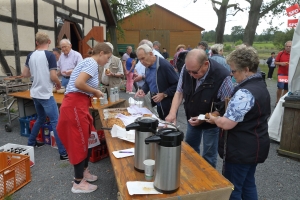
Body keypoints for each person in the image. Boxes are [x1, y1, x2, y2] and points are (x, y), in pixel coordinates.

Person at [206, 47, 270, 200]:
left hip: (240, 150)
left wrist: (215, 119)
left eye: (234, 71)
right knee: (248, 184)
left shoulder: (245, 92)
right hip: (255, 144)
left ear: (246, 69)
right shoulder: (260, 85)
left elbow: (227, 123)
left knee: (233, 189)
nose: (231, 74)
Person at [57, 43, 112, 193]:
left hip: (79, 104)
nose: (107, 61)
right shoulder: (91, 63)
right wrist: (95, 92)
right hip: (75, 105)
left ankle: (84, 171)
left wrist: (92, 93)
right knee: (79, 141)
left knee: (88, 138)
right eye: (107, 58)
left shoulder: (89, 62)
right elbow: (78, 83)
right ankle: (78, 182)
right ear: (101, 53)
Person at [165, 49, 233, 168]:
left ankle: (208, 181)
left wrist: (205, 118)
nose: (191, 75)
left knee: (209, 155)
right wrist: (172, 113)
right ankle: (191, 174)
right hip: (192, 116)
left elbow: (225, 107)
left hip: (211, 122)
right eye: (188, 71)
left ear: (205, 64)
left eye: (194, 72)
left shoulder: (223, 77)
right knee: (190, 149)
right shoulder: (188, 69)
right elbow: (179, 92)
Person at [21, 32, 68, 161]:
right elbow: (53, 76)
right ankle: (63, 153)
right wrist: (58, 84)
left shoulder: (30, 55)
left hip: (35, 93)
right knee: (55, 122)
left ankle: (31, 143)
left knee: (41, 118)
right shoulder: (50, 55)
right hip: (46, 94)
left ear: (36, 42)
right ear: (49, 41)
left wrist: (35, 70)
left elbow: (25, 74)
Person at [135, 44, 179, 120]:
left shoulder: (164, 65)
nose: (141, 62)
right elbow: (148, 82)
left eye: (143, 58)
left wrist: (164, 94)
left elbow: (177, 85)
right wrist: (143, 90)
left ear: (151, 54)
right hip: (157, 104)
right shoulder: (147, 66)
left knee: (168, 128)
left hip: (168, 105)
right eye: (139, 60)